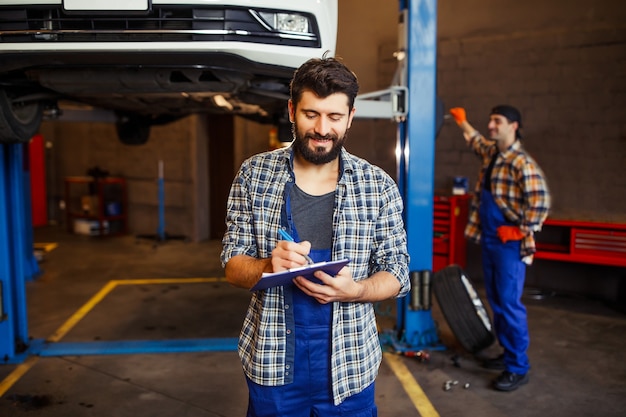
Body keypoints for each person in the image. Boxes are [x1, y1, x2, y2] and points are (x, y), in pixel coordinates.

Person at [221, 56, 410, 416]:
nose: (322, 128)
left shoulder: (377, 186)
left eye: (335, 117)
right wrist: (267, 266)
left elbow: (397, 272)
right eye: (311, 114)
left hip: (350, 367)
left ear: (350, 117)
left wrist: (357, 290)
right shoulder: (253, 176)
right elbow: (233, 266)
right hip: (273, 365)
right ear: (291, 110)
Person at [449, 105, 550, 392]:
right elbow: (476, 140)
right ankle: (508, 355)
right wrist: (463, 122)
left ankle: (518, 368)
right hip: (492, 240)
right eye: (491, 119)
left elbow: (540, 202)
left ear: (513, 126)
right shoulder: (493, 153)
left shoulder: (521, 162)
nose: (491, 125)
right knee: (497, 301)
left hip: (510, 243)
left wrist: (521, 228)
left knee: (509, 305)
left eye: (497, 121)